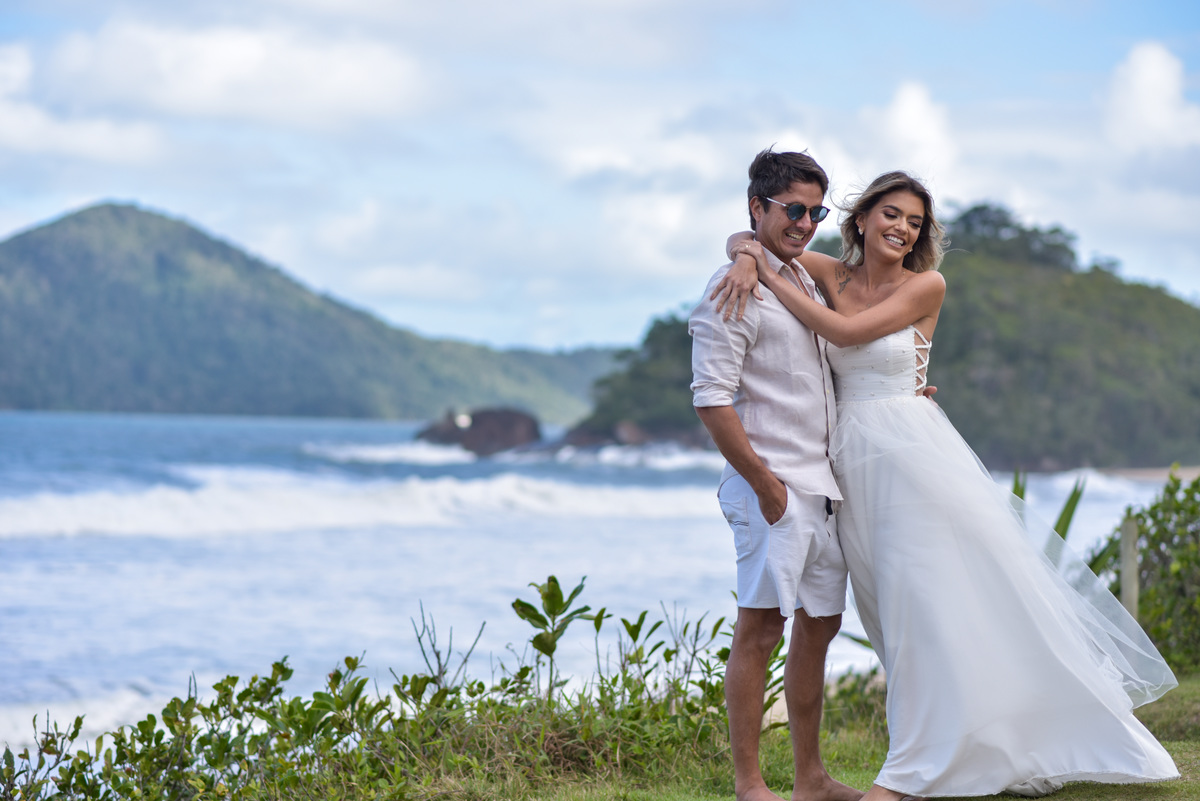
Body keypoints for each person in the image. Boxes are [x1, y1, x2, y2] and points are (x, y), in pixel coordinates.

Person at [716, 170, 1180, 799]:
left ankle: (912, 771)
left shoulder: (926, 284)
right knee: (888, 615)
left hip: (910, 458)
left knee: (925, 605)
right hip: (847, 466)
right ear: (860, 219)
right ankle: (941, 745)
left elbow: (847, 334)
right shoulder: (829, 275)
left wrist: (763, 273)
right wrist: (746, 254)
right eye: (891, 215)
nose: (902, 229)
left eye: (914, 222)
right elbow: (756, 235)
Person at [689, 148, 863, 801]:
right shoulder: (732, 287)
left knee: (820, 627)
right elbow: (711, 399)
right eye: (793, 208)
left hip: (823, 489)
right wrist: (766, 486)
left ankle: (811, 778)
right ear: (757, 206)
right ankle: (748, 782)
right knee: (761, 629)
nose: (805, 222)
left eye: (816, 210)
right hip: (776, 490)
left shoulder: (805, 280)